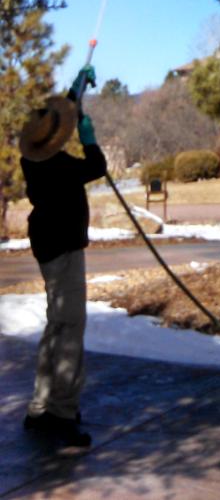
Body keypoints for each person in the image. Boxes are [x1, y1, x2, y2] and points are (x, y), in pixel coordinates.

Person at [19, 94, 107, 449]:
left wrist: (74, 97)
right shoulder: (60, 166)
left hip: (48, 246)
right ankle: (61, 413)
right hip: (64, 250)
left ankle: (41, 406)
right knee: (70, 328)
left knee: (55, 326)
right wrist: (88, 138)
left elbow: (53, 128)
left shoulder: (33, 160)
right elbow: (96, 167)